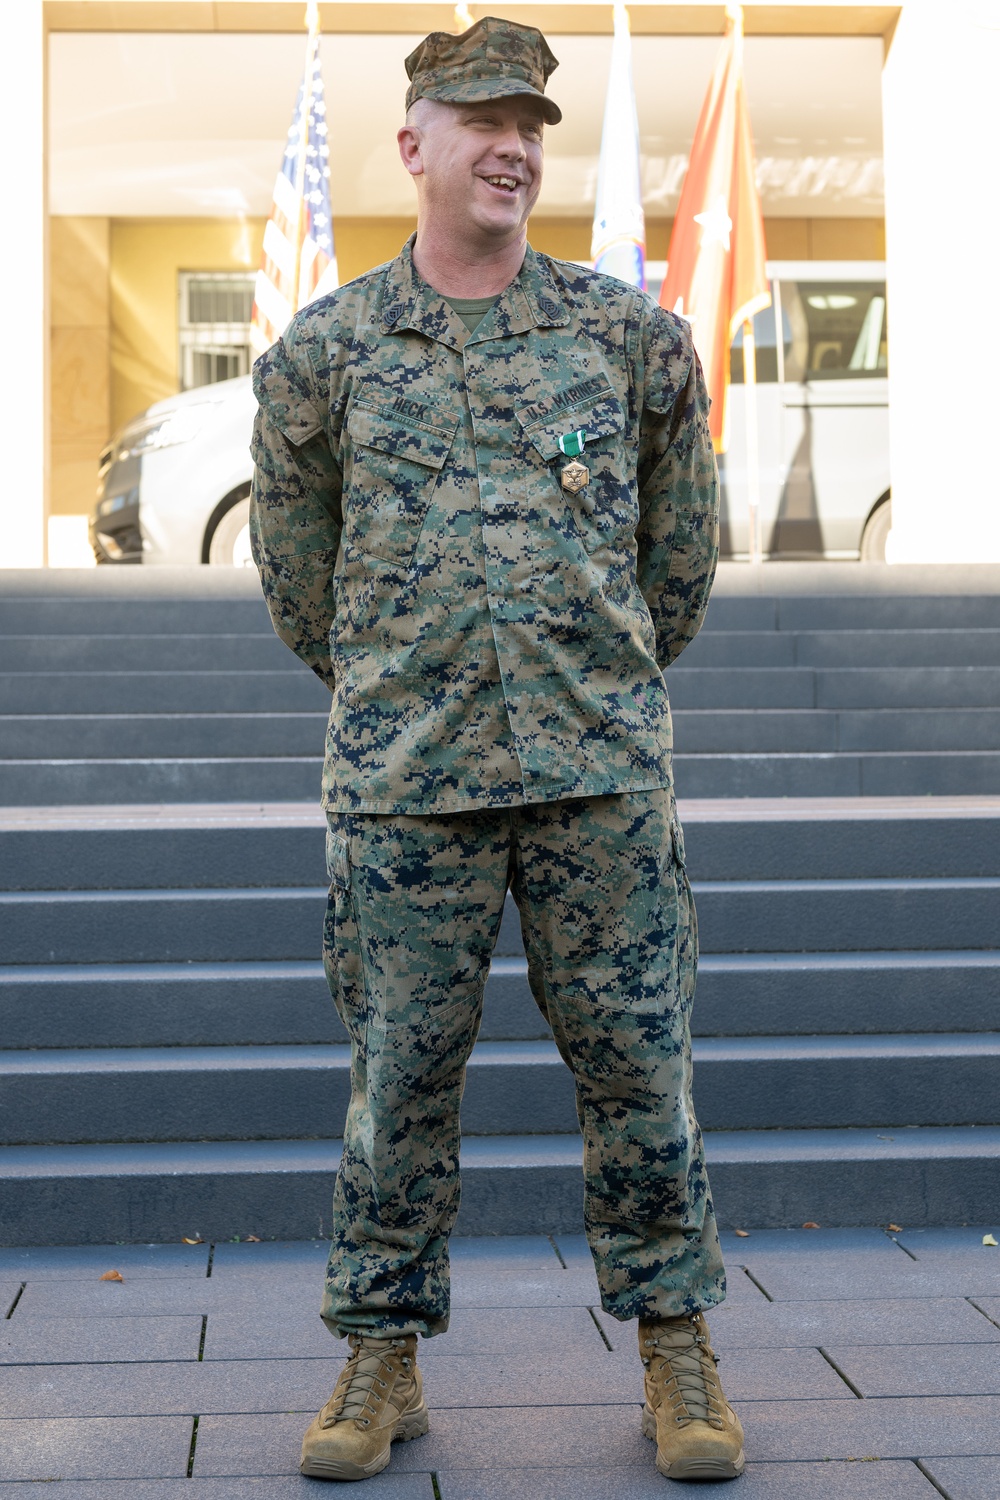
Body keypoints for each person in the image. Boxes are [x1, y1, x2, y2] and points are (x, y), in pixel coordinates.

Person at [249, 15, 743, 1485]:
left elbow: (680, 561)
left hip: (597, 776)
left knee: (641, 1073)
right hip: (411, 786)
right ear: (415, 146)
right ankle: (379, 1359)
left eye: (530, 119)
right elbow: (299, 578)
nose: (513, 143)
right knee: (398, 1077)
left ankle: (677, 1349)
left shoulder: (627, 340)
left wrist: (595, 679)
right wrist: (410, 685)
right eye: (481, 120)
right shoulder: (323, 358)